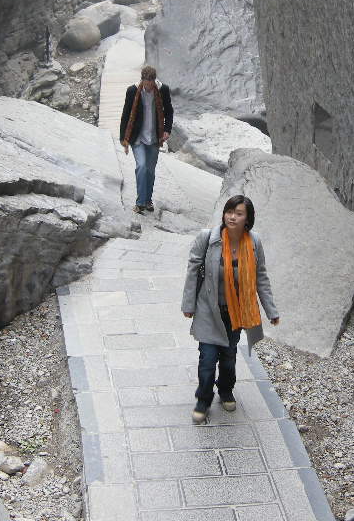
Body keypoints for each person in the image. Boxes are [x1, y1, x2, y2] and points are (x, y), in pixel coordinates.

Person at [181, 195, 281, 424]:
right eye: (229, 211)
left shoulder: (254, 242)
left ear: (248, 219)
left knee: (228, 357)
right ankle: (203, 400)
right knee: (207, 358)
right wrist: (188, 305)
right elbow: (193, 271)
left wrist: (271, 310)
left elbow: (261, 277)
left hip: (235, 311)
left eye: (238, 213)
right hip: (208, 309)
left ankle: (225, 390)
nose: (232, 216)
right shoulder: (208, 238)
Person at [119, 65, 173, 214]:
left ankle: (148, 200)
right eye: (146, 83)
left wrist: (167, 129)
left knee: (150, 170)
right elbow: (125, 114)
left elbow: (169, 111)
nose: (148, 87)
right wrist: (123, 137)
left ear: (154, 81)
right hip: (138, 137)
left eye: (151, 84)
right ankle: (140, 202)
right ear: (142, 80)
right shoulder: (133, 91)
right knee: (141, 167)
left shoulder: (163, 90)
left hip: (155, 137)